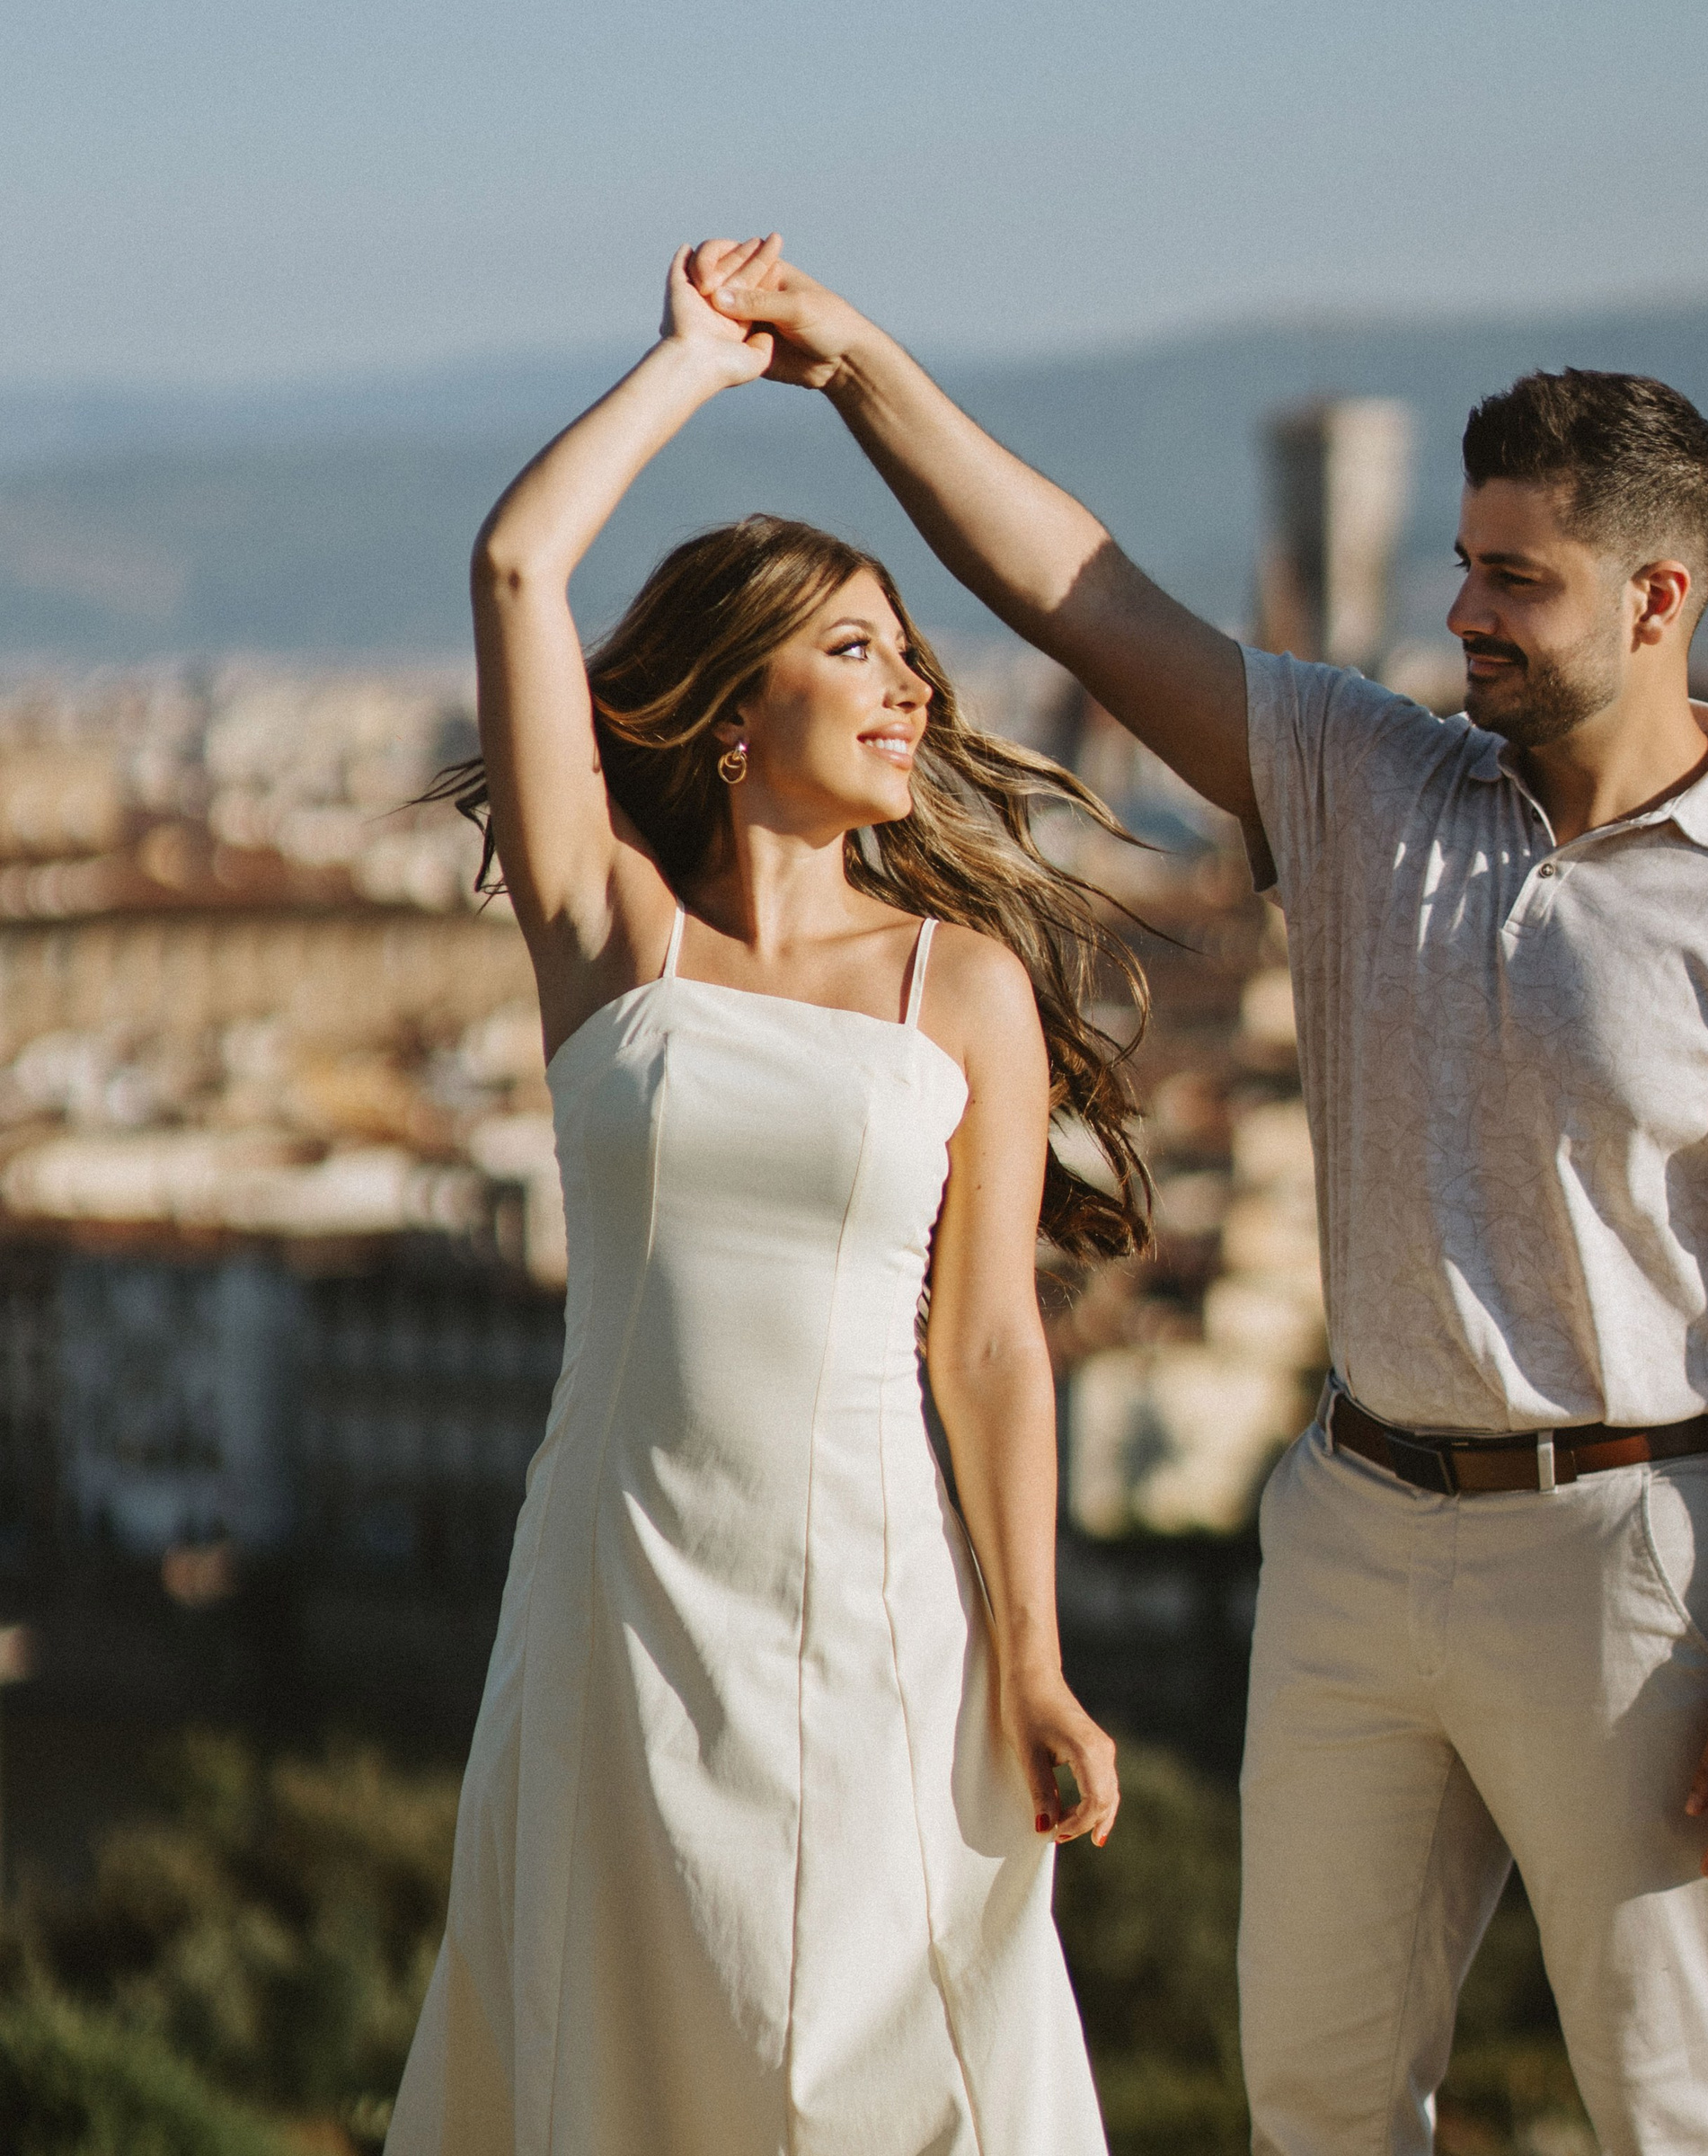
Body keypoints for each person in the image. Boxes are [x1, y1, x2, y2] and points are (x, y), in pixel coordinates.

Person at [693, 234, 1708, 2156]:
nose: (1462, 609)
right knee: (1318, 2101)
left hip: (1638, 1551)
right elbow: (1074, 585)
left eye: (1511, 578)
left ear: (1657, 594)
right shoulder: (1375, 785)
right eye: (1460, 562)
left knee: (1677, 2100)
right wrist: (850, 362)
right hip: (1352, 1525)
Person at [385, 253, 1137, 2156]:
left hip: (875, 1600)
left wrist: (1034, 1658)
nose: (909, 686)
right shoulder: (613, 938)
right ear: (732, 708)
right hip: (613, 1590)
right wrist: (687, 370)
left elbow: (987, 1346)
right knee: (602, 2045)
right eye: (852, 650)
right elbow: (512, 573)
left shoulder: (955, 979)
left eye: (910, 651)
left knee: (874, 2070)